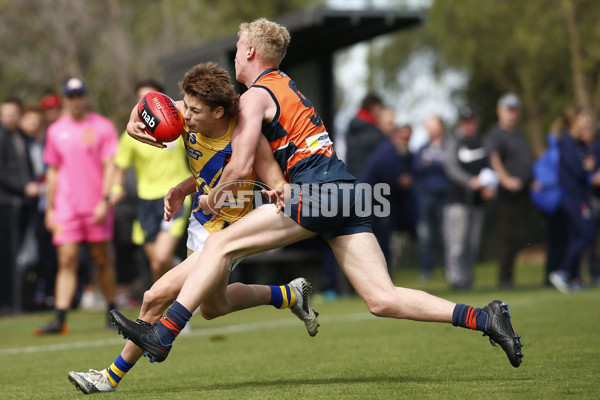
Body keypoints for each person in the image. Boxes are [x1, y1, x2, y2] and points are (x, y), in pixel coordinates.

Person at [110, 19, 523, 373]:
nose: (235, 57)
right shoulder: (288, 85)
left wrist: (212, 197)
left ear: (251, 51)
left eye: (237, 49)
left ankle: (163, 335)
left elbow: (238, 165)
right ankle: (486, 318)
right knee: (382, 298)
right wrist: (190, 185)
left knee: (219, 244)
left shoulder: (254, 95)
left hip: (316, 193)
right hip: (350, 192)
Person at [68, 62, 319, 394]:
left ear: (218, 112)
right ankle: (289, 295)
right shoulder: (184, 117)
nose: (184, 113)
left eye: (193, 109)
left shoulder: (246, 138)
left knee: (154, 296)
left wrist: (277, 191)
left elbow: (274, 181)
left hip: (228, 236)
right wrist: (135, 129)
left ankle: (108, 377)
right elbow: (151, 106)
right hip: (200, 225)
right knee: (214, 308)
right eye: (184, 104)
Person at [34, 78, 119, 334]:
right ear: (65, 99)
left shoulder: (102, 127)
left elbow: (110, 166)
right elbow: (52, 171)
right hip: (66, 207)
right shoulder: (55, 131)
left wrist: (105, 200)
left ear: (85, 97)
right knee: (67, 260)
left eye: (79, 95)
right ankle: (60, 318)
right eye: (71, 96)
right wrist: (49, 208)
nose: (76, 100)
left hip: (96, 205)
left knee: (101, 259)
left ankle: (112, 311)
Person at [112, 79, 190, 284]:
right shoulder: (131, 134)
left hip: (174, 197)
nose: (142, 103)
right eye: (140, 98)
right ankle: (170, 301)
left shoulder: (177, 126)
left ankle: (179, 296)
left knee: (162, 257)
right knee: (156, 263)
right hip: (146, 202)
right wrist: (115, 188)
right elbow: (119, 166)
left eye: (148, 98)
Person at [443, 106, 496, 290]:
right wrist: (470, 181)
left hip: (477, 203)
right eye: (465, 121)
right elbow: (451, 168)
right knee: (457, 244)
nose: (468, 125)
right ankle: (455, 279)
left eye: (471, 121)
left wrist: (490, 186)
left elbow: (490, 168)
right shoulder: (454, 142)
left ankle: (467, 279)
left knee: (472, 245)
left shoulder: (482, 143)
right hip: (458, 201)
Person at [484, 93, 533, 288]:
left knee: (519, 235)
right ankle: (505, 279)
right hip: (507, 194)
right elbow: (493, 157)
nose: (512, 114)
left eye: (515, 110)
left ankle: (509, 277)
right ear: (499, 111)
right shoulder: (496, 133)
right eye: (509, 109)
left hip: (523, 192)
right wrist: (505, 179)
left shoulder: (519, 134)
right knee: (510, 235)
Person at [548, 108, 596, 293]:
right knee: (587, 234)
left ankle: (574, 277)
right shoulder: (567, 142)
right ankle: (562, 271)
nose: (587, 122)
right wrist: (588, 168)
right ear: (574, 121)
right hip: (572, 197)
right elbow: (578, 170)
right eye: (584, 118)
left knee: (577, 236)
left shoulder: (579, 143)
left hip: (579, 196)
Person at [0, 97, 40, 313]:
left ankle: (18, 302)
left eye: (13, 114)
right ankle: (8, 304)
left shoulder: (21, 137)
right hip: (6, 204)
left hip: (22, 204)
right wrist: (24, 187)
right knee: (7, 255)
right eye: (5, 114)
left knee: (21, 255)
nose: (9, 118)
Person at [359, 124, 417, 269]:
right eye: (404, 137)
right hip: (371, 204)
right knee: (377, 244)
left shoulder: (398, 154)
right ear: (395, 136)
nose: (406, 141)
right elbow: (400, 181)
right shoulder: (387, 153)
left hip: (378, 203)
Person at [413, 114, 448, 281]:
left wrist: (431, 164)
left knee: (445, 235)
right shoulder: (422, 149)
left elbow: (448, 167)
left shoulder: (449, 146)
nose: (430, 130)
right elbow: (417, 168)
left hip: (445, 196)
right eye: (428, 126)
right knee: (426, 235)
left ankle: (448, 269)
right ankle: (426, 270)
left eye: (433, 126)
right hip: (425, 197)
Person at [344, 92, 385, 177]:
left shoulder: (353, 125)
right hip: (366, 180)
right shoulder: (375, 133)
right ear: (373, 107)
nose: (381, 112)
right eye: (380, 108)